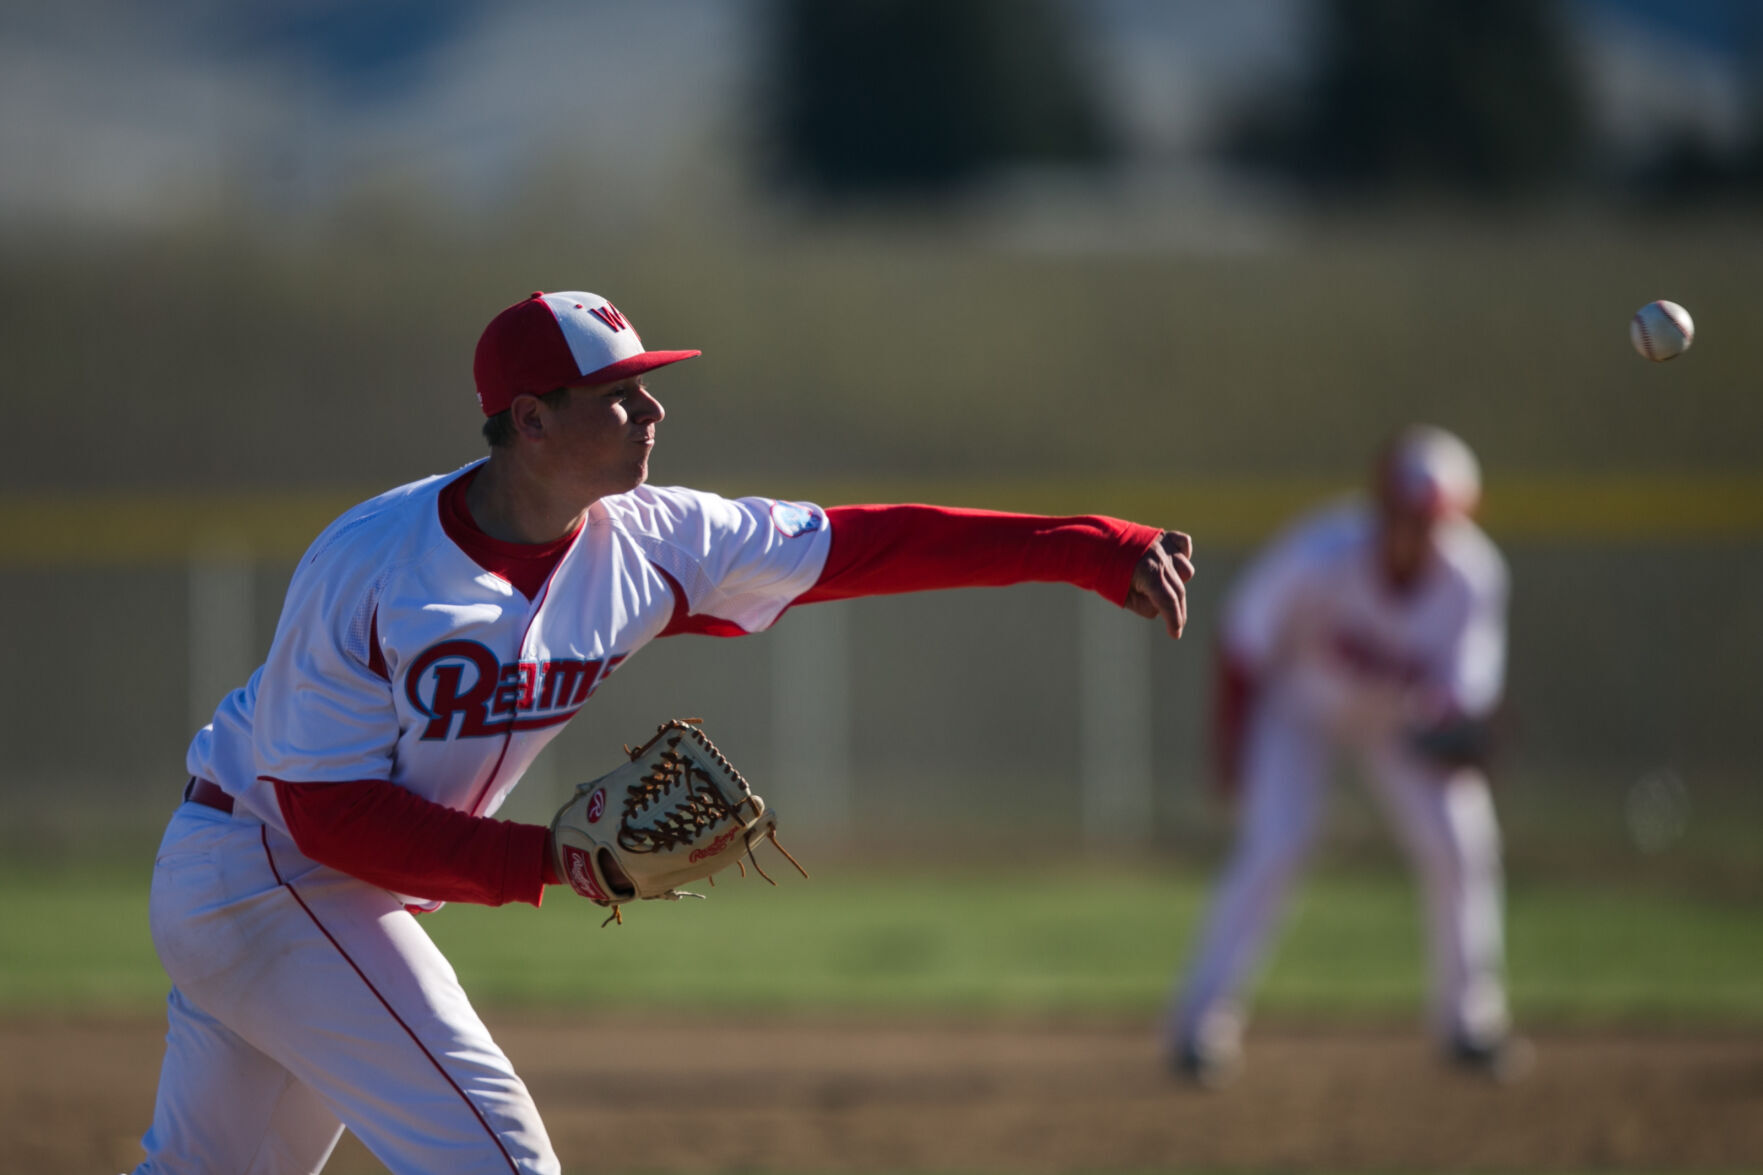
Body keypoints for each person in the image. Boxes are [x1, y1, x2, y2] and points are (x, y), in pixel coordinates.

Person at [133, 289, 1196, 1174]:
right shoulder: (375, 563)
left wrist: (1093, 548)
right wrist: (543, 857)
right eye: (618, 393)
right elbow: (328, 813)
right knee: (501, 1160)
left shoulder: (651, 541)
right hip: (266, 870)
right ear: (531, 421)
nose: (651, 411)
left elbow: (861, 545)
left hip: (313, 890)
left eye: (648, 387)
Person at [1166, 425, 1525, 1089]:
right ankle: (1198, 1026)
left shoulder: (1473, 577)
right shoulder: (1320, 550)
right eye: (1404, 513)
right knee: (1276, 844)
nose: (1416, 529)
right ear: (1380, 505)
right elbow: (1242, 641)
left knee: (1460, 843)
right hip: (1297, 709)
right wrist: (1228, 748)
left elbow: (1462, 700)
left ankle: (1468, 1023)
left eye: (1431, 518)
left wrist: (1461, 737)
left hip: (1400, 724)